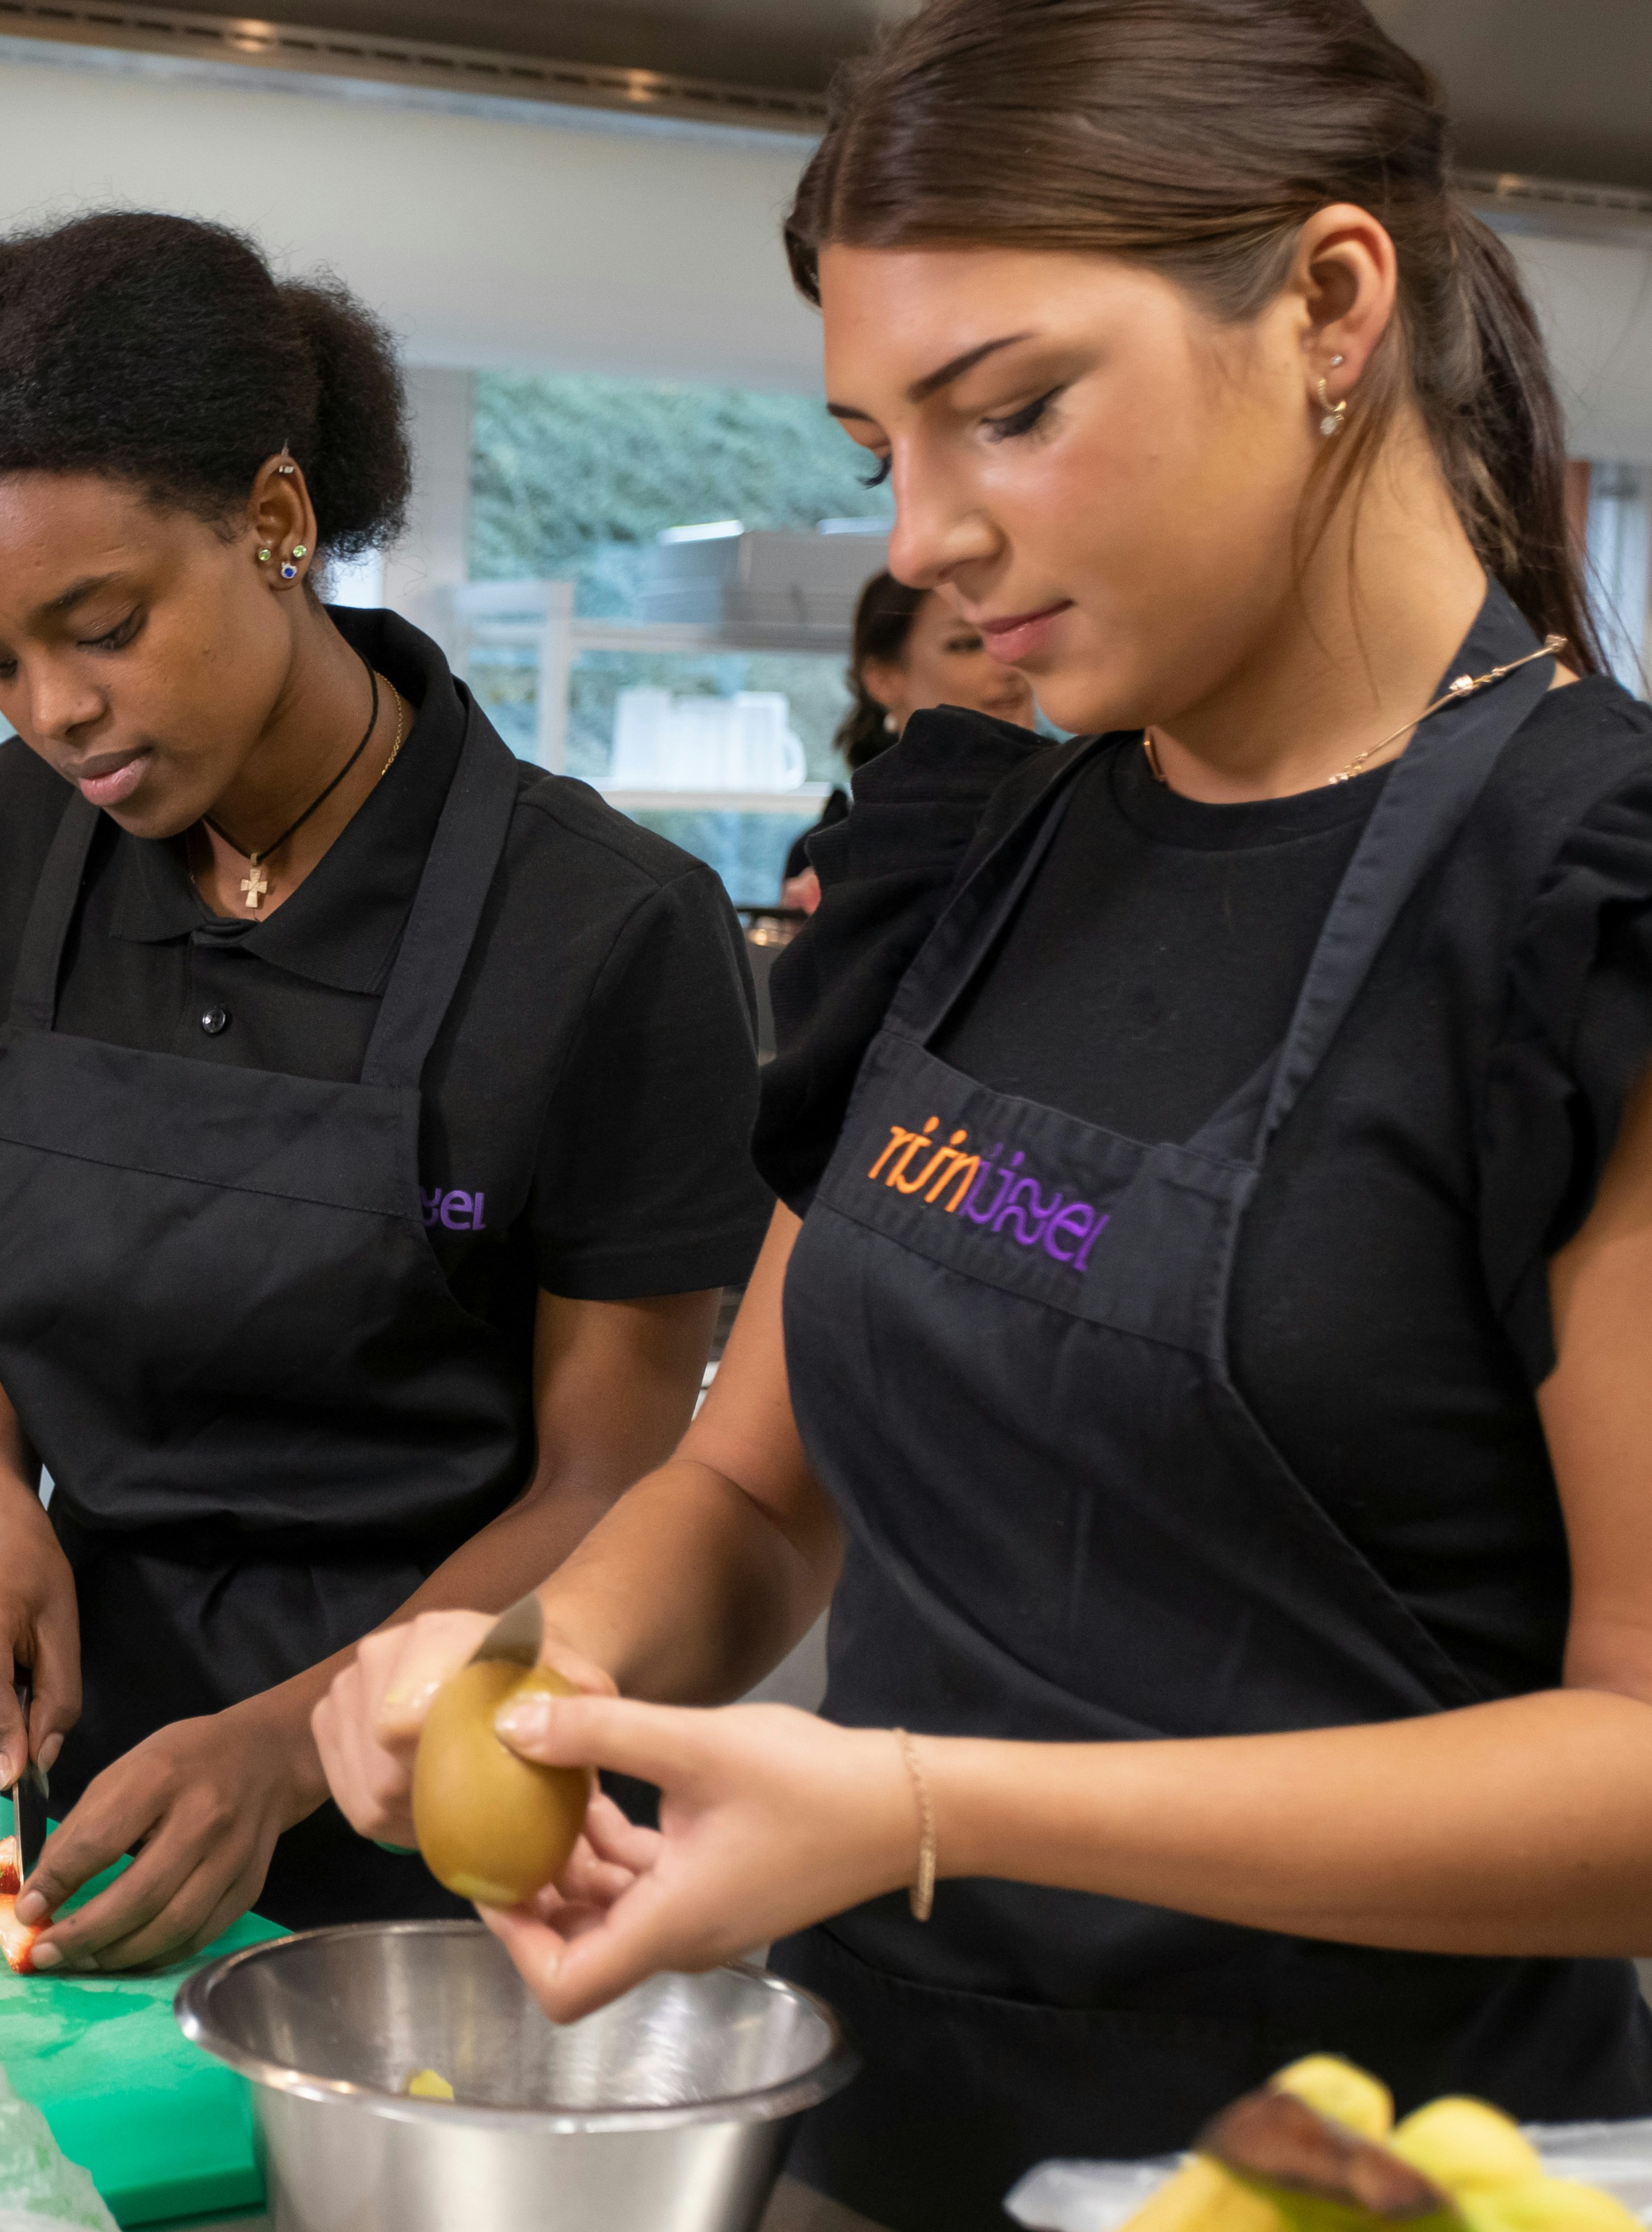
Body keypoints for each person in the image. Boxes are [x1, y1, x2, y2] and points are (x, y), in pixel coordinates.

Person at [311, 1, 1652, 2221]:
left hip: (1356, 2176)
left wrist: (928, 1803)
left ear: (1328, 302)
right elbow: (752, 1496)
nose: (924, 536)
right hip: (873, 2139)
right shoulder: (981, 862)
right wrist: (540, 1670)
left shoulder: (1582, 907)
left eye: (1009, 412)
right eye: (877, 451)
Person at [0, 212, 771, 1974]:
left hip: (458, 1816)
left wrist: (295, 1740)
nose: (54, 709)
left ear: (276, 523)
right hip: (101, 1783)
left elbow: (610, 1478)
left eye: (101, 624)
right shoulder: (23, 833)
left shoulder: (602, 925)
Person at [779, 569, 1032, 912]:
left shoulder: (1083, 805)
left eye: (1014, 636)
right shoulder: (836, 853)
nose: (1008, 664)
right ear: (884, 679)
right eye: (967, 644)